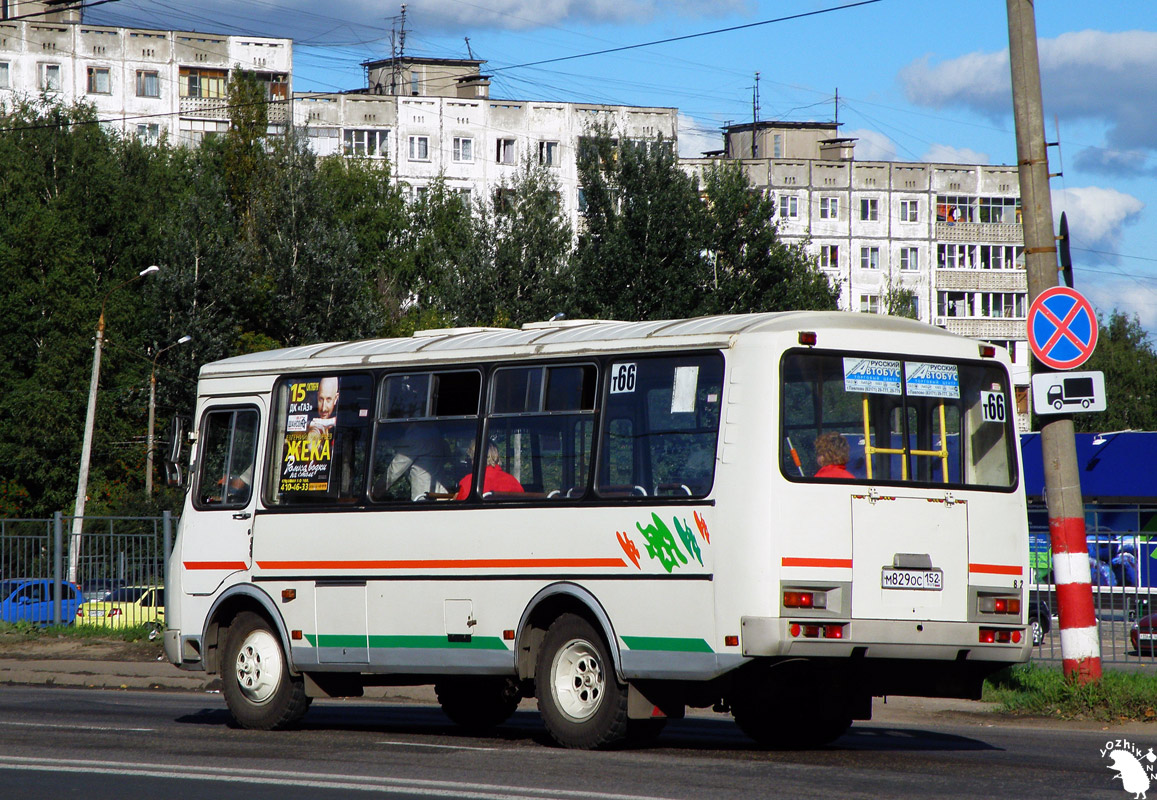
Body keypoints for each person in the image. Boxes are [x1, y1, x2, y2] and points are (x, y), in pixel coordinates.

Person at [456, 440, 524, 500]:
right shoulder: (513, 482)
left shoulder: (470, 482)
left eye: (471, 458)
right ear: (496, 456)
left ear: (475, 459)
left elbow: (459, 509)